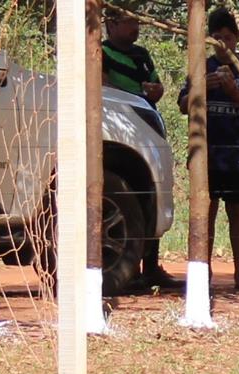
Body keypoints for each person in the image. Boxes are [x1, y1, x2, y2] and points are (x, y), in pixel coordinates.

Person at [177, 8, 239, 291]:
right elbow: (184, 104)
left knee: (238, 214)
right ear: (210, 38)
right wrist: (202, 88)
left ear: (236, 39)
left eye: (228, 37)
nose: (223, 42)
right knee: (205, 213)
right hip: (206, 154)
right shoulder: (200, 66)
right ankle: (203, 273)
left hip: (238, 153)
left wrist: (235, 93)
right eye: (217, 37)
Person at [102, 8, 182, 289]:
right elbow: (102, 84)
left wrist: (154, 91)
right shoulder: (101, 52)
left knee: (151, 191)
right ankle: (129, 267)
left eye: (137, 21)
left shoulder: (142, 55)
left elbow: (158, 86)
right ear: (111, 24)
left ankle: (151, 266)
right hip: (115, 123)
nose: (135, 26)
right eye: (129, 20)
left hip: (144, 124)